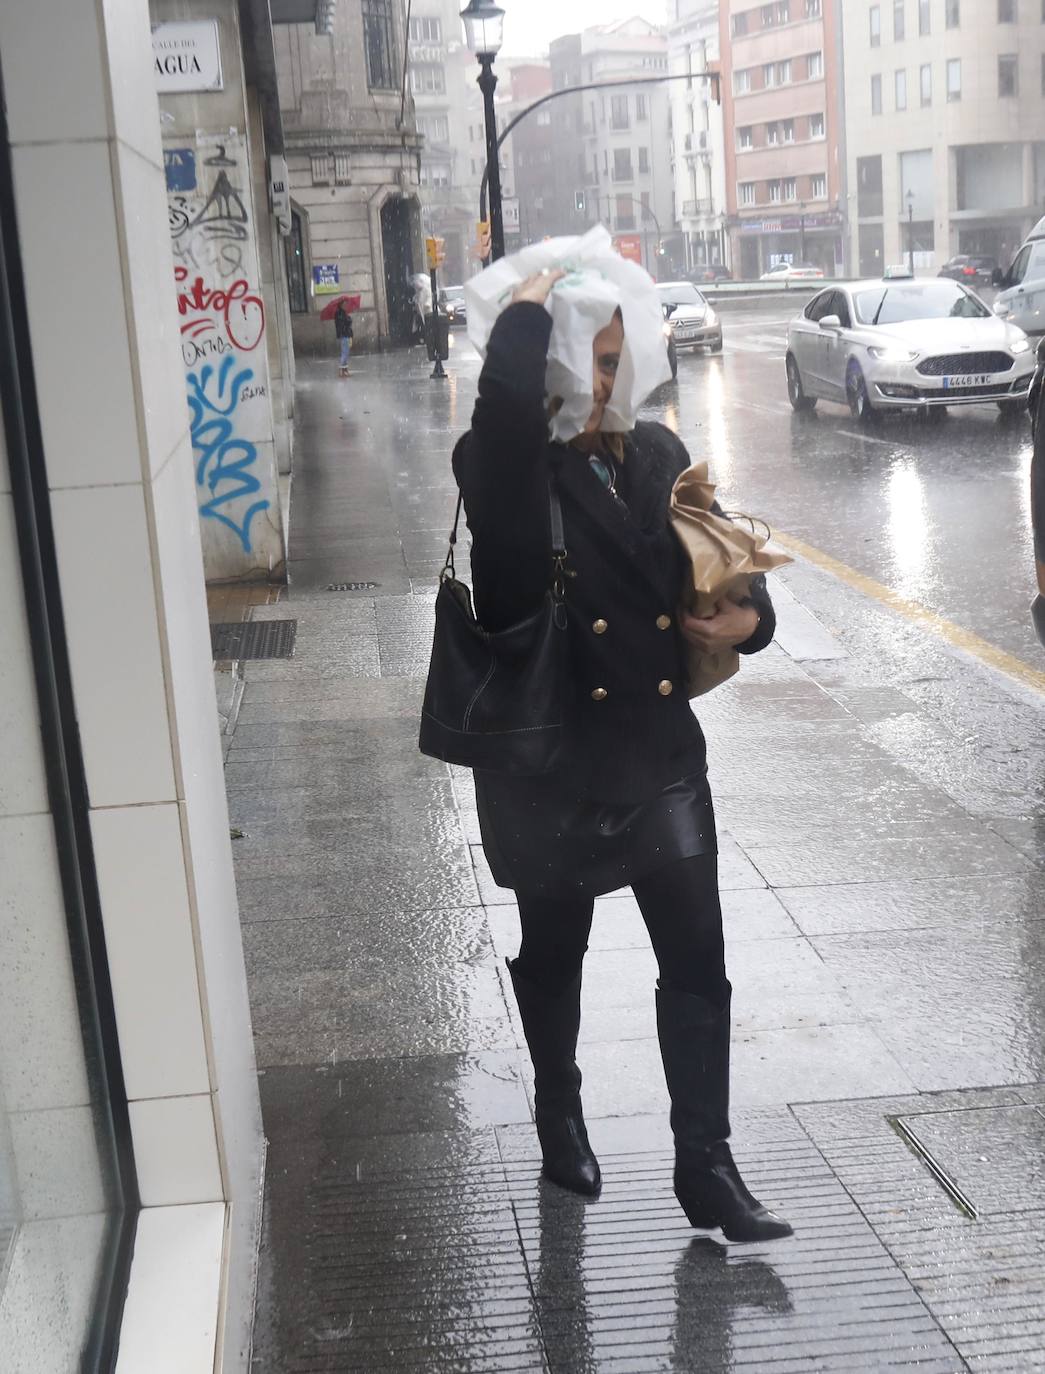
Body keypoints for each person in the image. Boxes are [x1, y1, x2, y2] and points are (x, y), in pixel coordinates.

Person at [452, 268, 792, 1243]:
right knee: (556, 951)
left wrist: (747, 619)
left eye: (620, 359)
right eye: (589, 362)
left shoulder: (659, 453)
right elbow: (504, 409)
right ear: (553, 367)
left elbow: (719, 568)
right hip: (550, 761)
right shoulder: (501, 465)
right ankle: (558, 1108)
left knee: (697, 960)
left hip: (658, 757)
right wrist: (524, 310)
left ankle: (707, 1166)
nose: (609, 381)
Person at [334, 301, 353, 376]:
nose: (346, 306)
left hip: (347, 334)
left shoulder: (343, 313)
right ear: (341, 305)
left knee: (346, 353)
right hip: (344, 335)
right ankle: (341, 370)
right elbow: (343, 324)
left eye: (346, 304)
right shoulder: (340, 314)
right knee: (345, 353)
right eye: (344, 304)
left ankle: (345, 370)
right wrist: (348, 319)